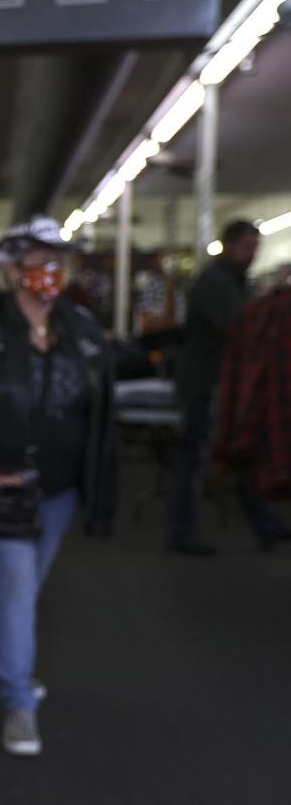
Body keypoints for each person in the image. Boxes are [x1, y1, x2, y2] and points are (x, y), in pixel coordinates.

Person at [0, 216, 117, 757]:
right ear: (11, 271)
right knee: (16, 585)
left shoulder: (81, 328)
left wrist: (101, 493)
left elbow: (102, 415)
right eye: (36, 262)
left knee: (25, 588)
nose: (49, 273)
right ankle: (18, 703)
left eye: (57, 262)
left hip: (57, 491)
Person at [167, 220, 288, 555]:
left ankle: (266, 524)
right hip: (203, 384)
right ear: (230, 245)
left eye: (256, 249)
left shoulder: (233, 280)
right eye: (249, 248)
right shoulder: (215, 282)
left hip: (221, 384)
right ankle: (181, 533)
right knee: (193, 462)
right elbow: (241, 325)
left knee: (240, 452)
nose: (253, 255)